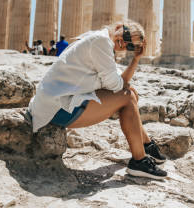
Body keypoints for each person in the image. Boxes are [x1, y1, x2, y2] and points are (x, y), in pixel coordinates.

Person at [27, 21, 167, 179]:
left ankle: (145, 147)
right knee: (127, 97)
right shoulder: (101, 42)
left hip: (58, 104)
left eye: (129, 45)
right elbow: (116, 84)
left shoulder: (100, 40)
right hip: (56, 110)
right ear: (119, 26)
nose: (123, 43)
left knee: (129, 95)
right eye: (125, 36)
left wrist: (135, 61)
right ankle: (141, 158)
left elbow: (119, 80)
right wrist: (133, 66)